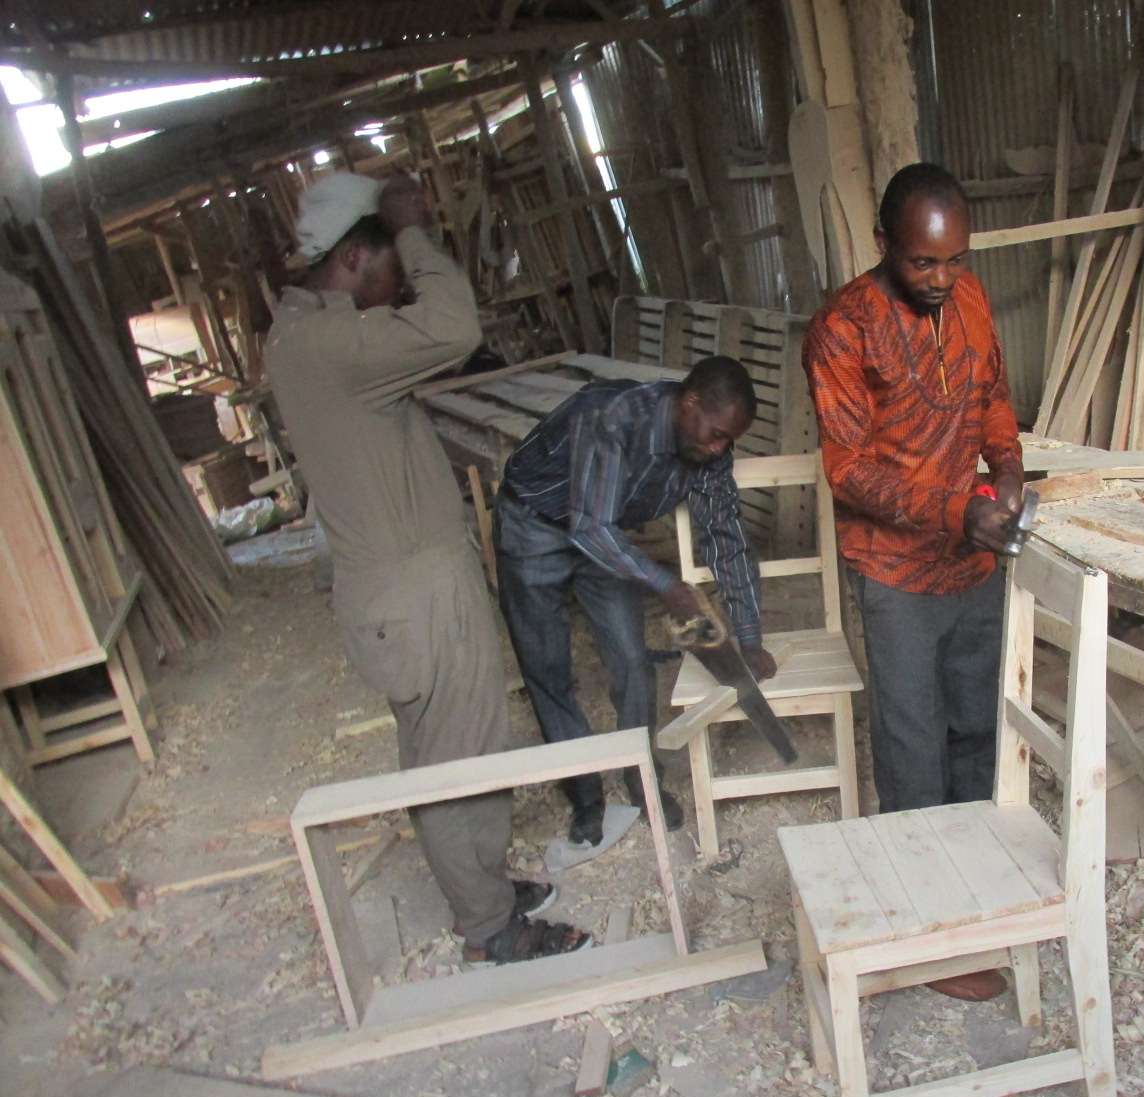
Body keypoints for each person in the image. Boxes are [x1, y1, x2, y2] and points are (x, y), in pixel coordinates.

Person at [265, 171, 589, 966]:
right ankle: (490, 932)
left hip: (400, 586)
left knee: (449, 749)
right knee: (456, 756)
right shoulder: (330, 343)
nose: (397, 284)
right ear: (353, 255)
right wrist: (414, 228)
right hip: (414, 590)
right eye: (388, 266)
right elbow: (453, 326)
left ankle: (480, 891)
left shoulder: (304, 334)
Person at [803, 162, 1024, 1002]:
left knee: (975, 732)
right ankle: (924, 935)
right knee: (911, 748)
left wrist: (1006, 468)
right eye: (922, 262)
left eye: (954, 260)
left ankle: (969, 898)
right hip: (894, 570)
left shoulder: (966, 301)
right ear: (884, 244)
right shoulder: (842, 328)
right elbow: (849, 470)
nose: (940, 279)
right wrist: (950, 508)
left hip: (973, 558)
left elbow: (993, 396)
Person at [494, 358, 778, 847]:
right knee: (548, 668)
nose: (719, 448)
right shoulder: (614, 417)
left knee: (630, 658)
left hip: (607, 531)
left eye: (729, 440)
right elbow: (587, 524)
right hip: (534, 523)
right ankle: (585, 796)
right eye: (715, 434)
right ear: (688, 403)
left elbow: (725, 540)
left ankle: (640, 777)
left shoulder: (711, 452)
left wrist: (748, 638)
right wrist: (665, 584)